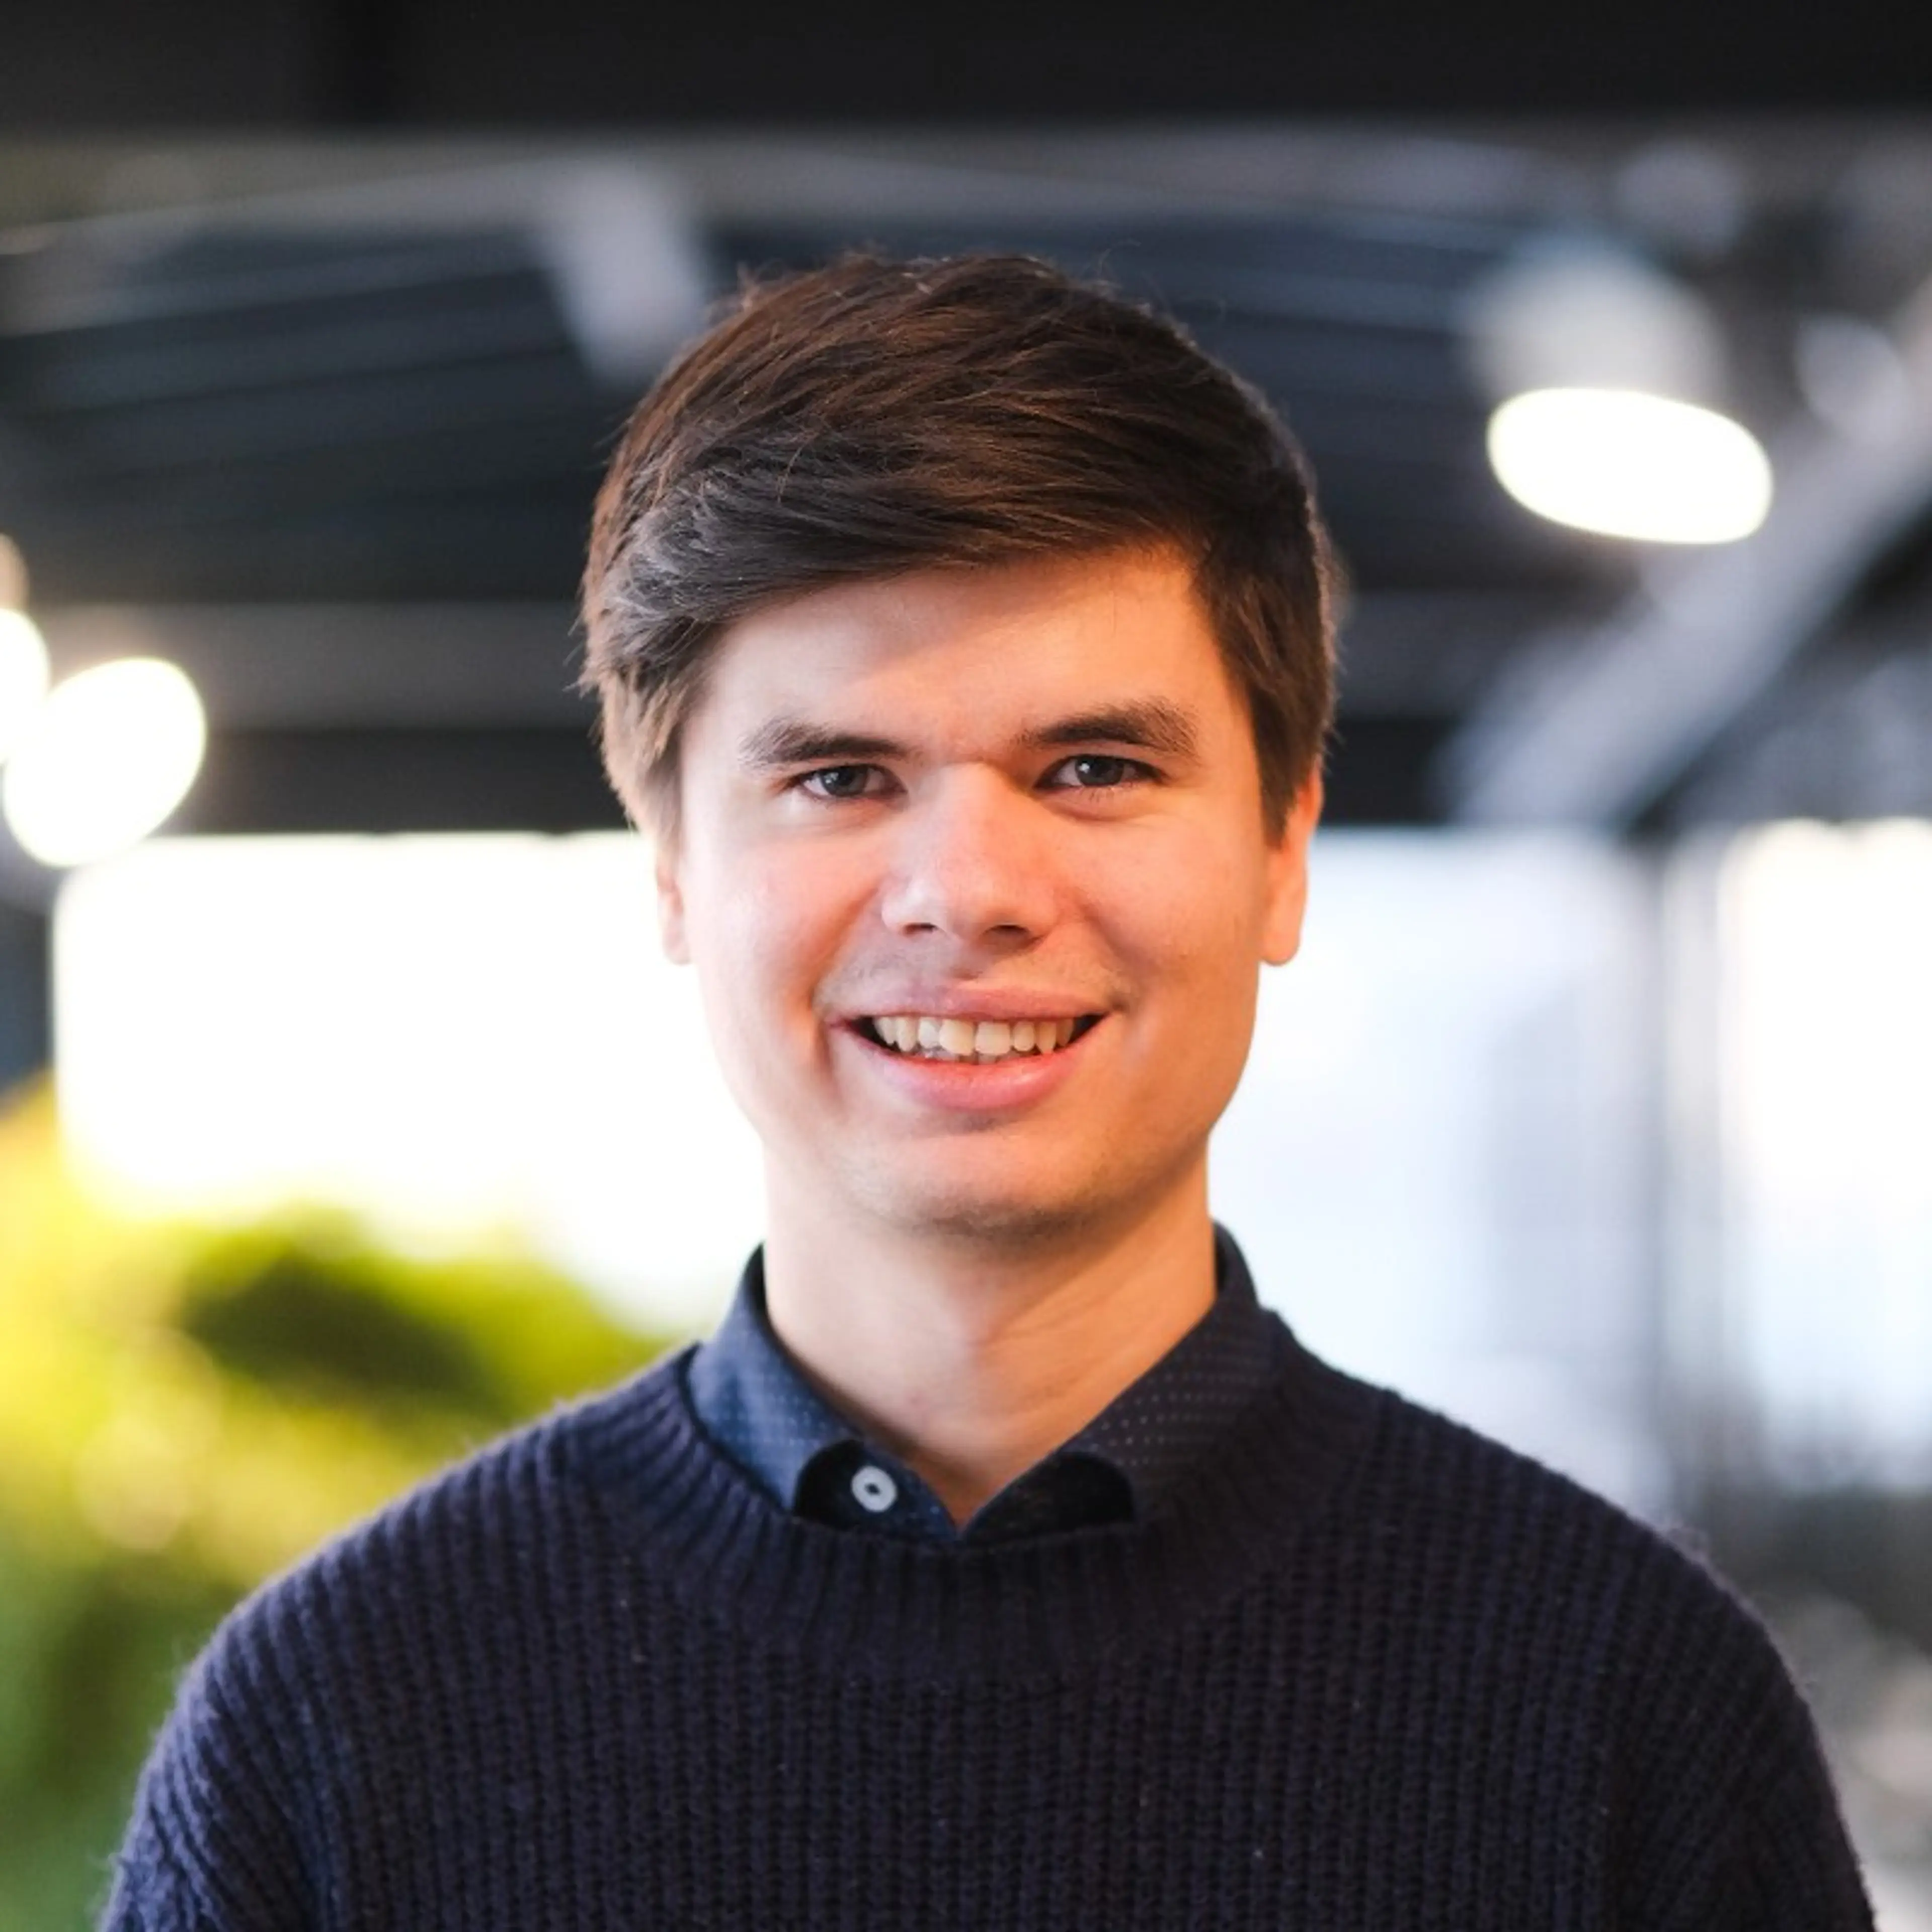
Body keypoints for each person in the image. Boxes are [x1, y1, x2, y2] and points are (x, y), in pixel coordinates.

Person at [104, 253, 1874, 1930]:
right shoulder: (341, 1725)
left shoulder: (1619, 1704)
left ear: (1280, 847)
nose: (970, 891)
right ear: (668, 870)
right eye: (842, 775)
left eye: (1094, 766)